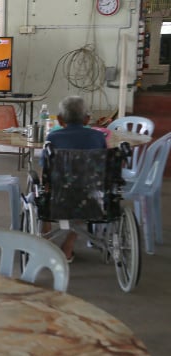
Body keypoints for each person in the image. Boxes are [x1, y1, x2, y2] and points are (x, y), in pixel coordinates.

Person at [42, 95, 107, 262]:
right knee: (85, 191)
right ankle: (69, 245)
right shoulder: (98, 137)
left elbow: (45, 167)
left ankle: (46, 235)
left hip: (58, 197)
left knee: (40, 189)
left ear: (60, 120)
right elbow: (104, 165)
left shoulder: (53, 138)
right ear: (87, 119)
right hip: (91, 198)